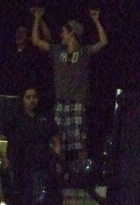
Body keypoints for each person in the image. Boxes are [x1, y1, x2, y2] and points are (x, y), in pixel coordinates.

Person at [31, 8, 108, 162]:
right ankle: (60, 175)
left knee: (80, 143)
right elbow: (35, 41)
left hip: (77, 103)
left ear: (72, 33)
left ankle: (81, 174)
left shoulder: (84, 52)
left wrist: (96, 21)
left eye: (64, 32)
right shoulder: (57, 50)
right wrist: (37, 18)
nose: (61, 35)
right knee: (59, 141)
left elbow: (103, 42)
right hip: (61, 102)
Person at [0, 7, 52, 138]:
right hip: (3, 98)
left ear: (27, 36)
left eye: (23, 33)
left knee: (19, 134)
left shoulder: (32, 51)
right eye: (18, 32)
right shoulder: (7, 50)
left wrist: (39, 19)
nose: (19, 35)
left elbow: (48, 38)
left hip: (20, 100)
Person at [1, 85, 62, 205]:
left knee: (33, 198)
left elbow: (56, 140)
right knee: (19, 199)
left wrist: (56, 159)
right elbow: (2, 139)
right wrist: (5, 159)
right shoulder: (15, 118)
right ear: (22, 99)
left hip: (39, 166)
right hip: (18, 165)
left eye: (34, 97)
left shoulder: (44, 119)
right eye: (28, 97)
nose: (32, 100)